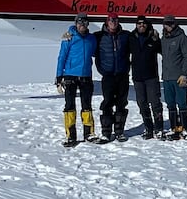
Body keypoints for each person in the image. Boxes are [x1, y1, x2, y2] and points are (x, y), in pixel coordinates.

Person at [55, 12, 98, 146]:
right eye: (80, 23)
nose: (82, 26)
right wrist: (58, 76)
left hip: (85, 74)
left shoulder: (92, 39)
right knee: (69, 105)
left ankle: (89, 133)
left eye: (85, 23)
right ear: (76, 24)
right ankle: (70, 135)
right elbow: (62, 56)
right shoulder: (69, 38)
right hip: (70, 75)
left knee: (87, 105)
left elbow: (96, 52)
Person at [93, 13, 131, 143]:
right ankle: (106, 132)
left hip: (122, 75)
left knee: (121, 103)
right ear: (106, 22)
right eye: (111, 20)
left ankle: (119, 132)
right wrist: (70, 35)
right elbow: (84, 42)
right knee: (107, 103)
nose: (113, 22)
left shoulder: (125, 36)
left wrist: (152, 34)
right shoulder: (98, 36)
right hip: (108, 75)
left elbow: (139, 42)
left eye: (115, 20)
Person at [128, 15, 164, 139]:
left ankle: (159, 128)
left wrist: (158, 39)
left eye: (143, 23)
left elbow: (163, 51)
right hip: (137, 77)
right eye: (139, 23)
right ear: (136, 25)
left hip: (151, 76)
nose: (141, 25)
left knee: (155, 103)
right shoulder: (131, 37)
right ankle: (148, 127)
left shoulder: (153, 38)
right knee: (142, 104)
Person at [161, 14, 187, 140]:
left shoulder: (182, 38)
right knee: (170, 103)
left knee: (182, 103)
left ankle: (184, 128)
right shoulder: (163, 39)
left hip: (179, 76)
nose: (169, 26)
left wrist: (184, 73)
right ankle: (175, 128)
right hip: (167, 77)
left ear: (175, 24)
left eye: (171, 23)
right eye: (166, 23)